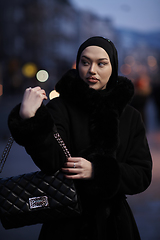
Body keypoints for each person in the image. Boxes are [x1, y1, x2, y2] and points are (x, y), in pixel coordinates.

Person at [8, 36, 152, 240]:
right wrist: (29, 118)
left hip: (115, 225)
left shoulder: (130, 116)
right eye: (85, 62)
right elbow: (51, 163)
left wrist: (97, 171)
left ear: (113, 67)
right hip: (66, 222)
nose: (92, 70)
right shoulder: (60, 108)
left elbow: (142, 174)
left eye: (101, 63)